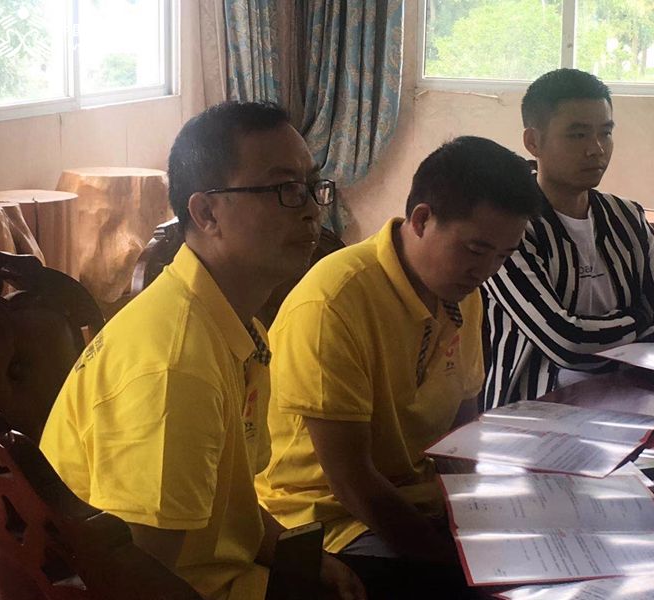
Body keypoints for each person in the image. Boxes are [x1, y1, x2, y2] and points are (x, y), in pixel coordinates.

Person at [40, 101, 365, 600]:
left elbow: (229, 501)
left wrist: (307, 560)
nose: (311, 209)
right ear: (207, 213)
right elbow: (136, 581)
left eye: (310, 185)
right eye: (284, 189)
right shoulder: (175, 367)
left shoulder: (235, 325)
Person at [256, 136, 541, 596]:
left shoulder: (461, 294)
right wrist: (452, 559)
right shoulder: (334, 304)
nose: (487, 270)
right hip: (330, 520)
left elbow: (462, 434)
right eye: (475, 250)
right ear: (422, 219)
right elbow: (351, 481)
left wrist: (480, 517)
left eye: (503, 256)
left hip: (417, 499)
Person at [481, 69, 654, 409]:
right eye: (577, 135)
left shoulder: (627, 216)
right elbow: (567, 343)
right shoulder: (511, 226)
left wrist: (608, 341)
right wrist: (639, 320)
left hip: (628, 397)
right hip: (533, 410)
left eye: (605, 133)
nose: (596, 149)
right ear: (533, 142)